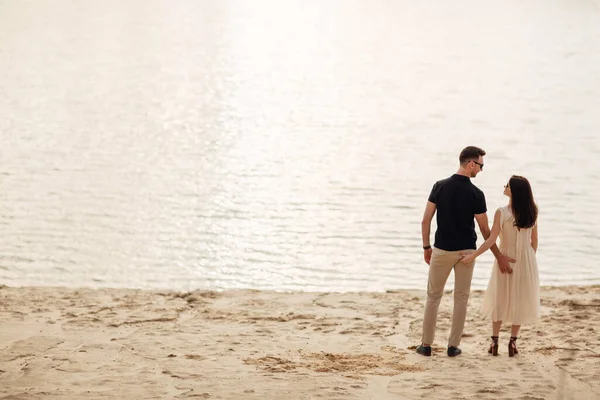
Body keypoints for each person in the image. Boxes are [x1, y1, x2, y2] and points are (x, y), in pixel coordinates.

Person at [417, 146, 515, 357]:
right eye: (480, 165)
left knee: (433, 297)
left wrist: (426, 247)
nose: (481, 170)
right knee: (460, 299)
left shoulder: (439, 186)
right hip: (466, 253)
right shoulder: (476, 194)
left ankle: (426, 346)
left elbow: (426, 220)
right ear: (471, 163)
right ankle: (453, 347)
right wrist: (499, 256)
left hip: (441, 250)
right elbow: (485, 230)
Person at [460, 175, 539, 357]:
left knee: (499, 298)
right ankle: (512, 343)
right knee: (519, 300)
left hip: (505, 257)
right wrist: (528, 260)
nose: (504, 187)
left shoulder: (502, 212)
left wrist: (473, 256)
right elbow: (534, 241)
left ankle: (494, 341)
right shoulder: (532, 211)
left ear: (514, 191)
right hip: (526, 260)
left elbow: (491, 240)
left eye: (507, 185)